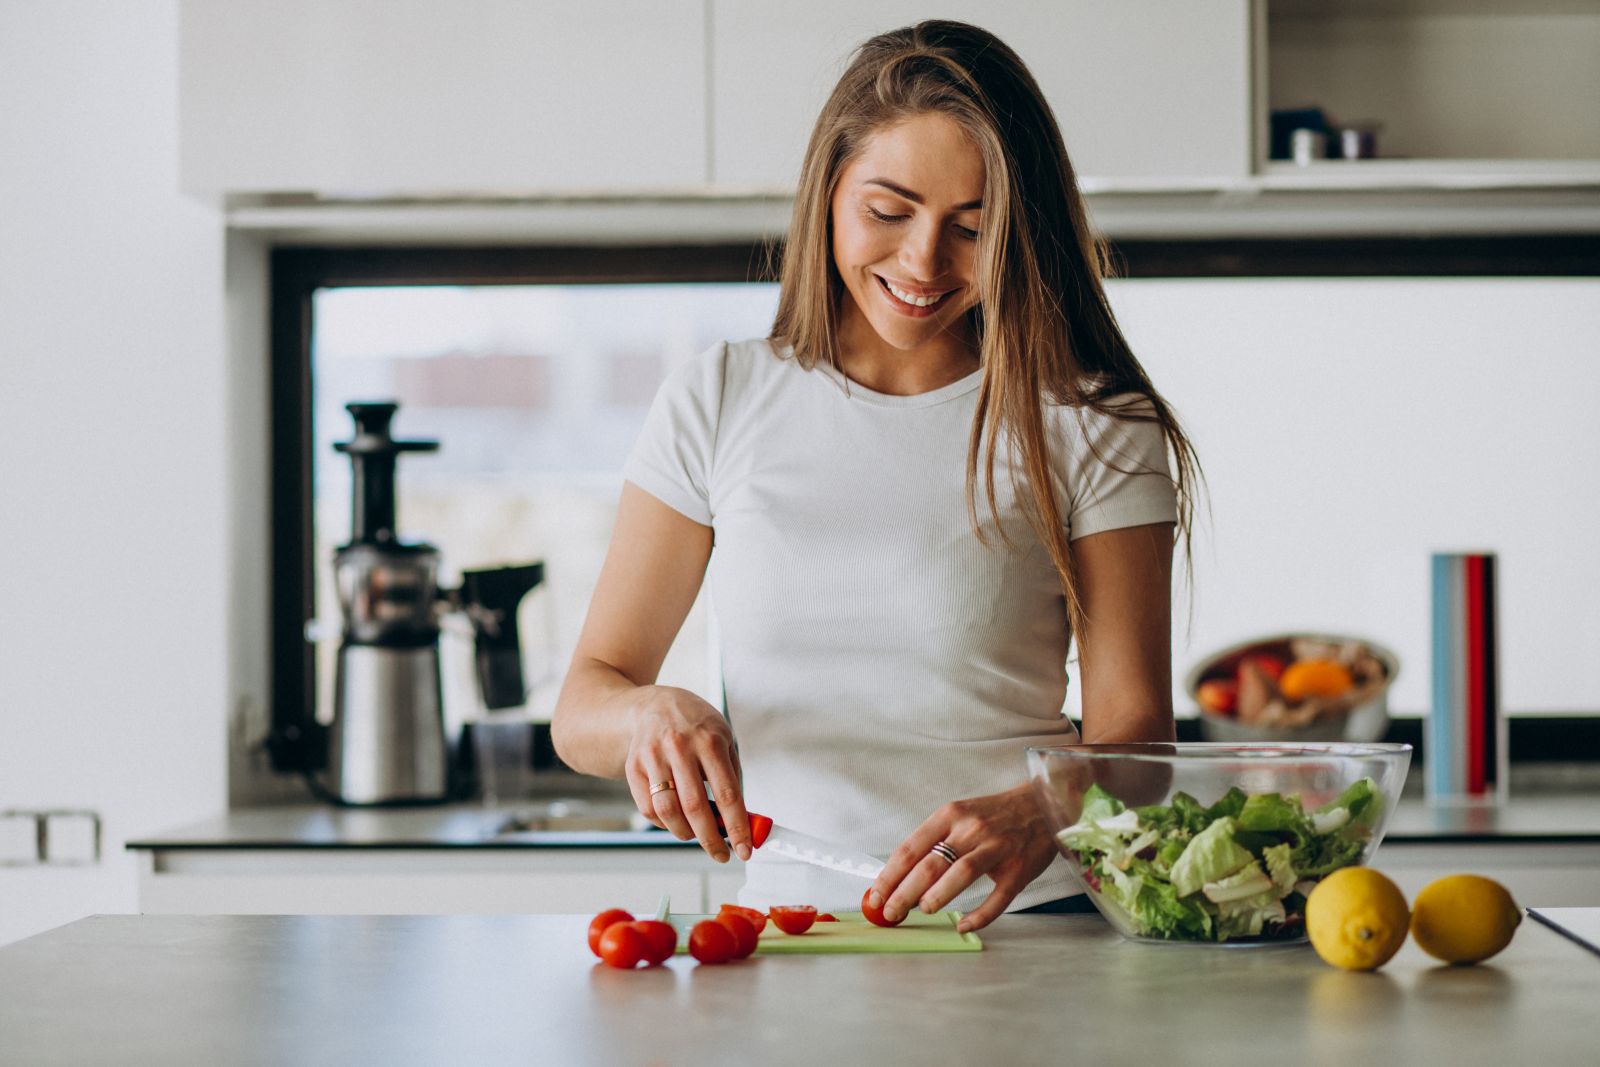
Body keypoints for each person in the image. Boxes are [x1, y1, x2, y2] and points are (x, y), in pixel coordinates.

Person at [551, 20, 1200, 932]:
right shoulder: (721, 396)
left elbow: (1138, 749)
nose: (923, 262)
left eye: (972, 229)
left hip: (1022, 928)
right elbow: (587, 700)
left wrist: (1046, 807)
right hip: (785, 932)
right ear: (828, 193)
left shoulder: (1093, 422)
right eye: (888, 212)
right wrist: (647, 715)